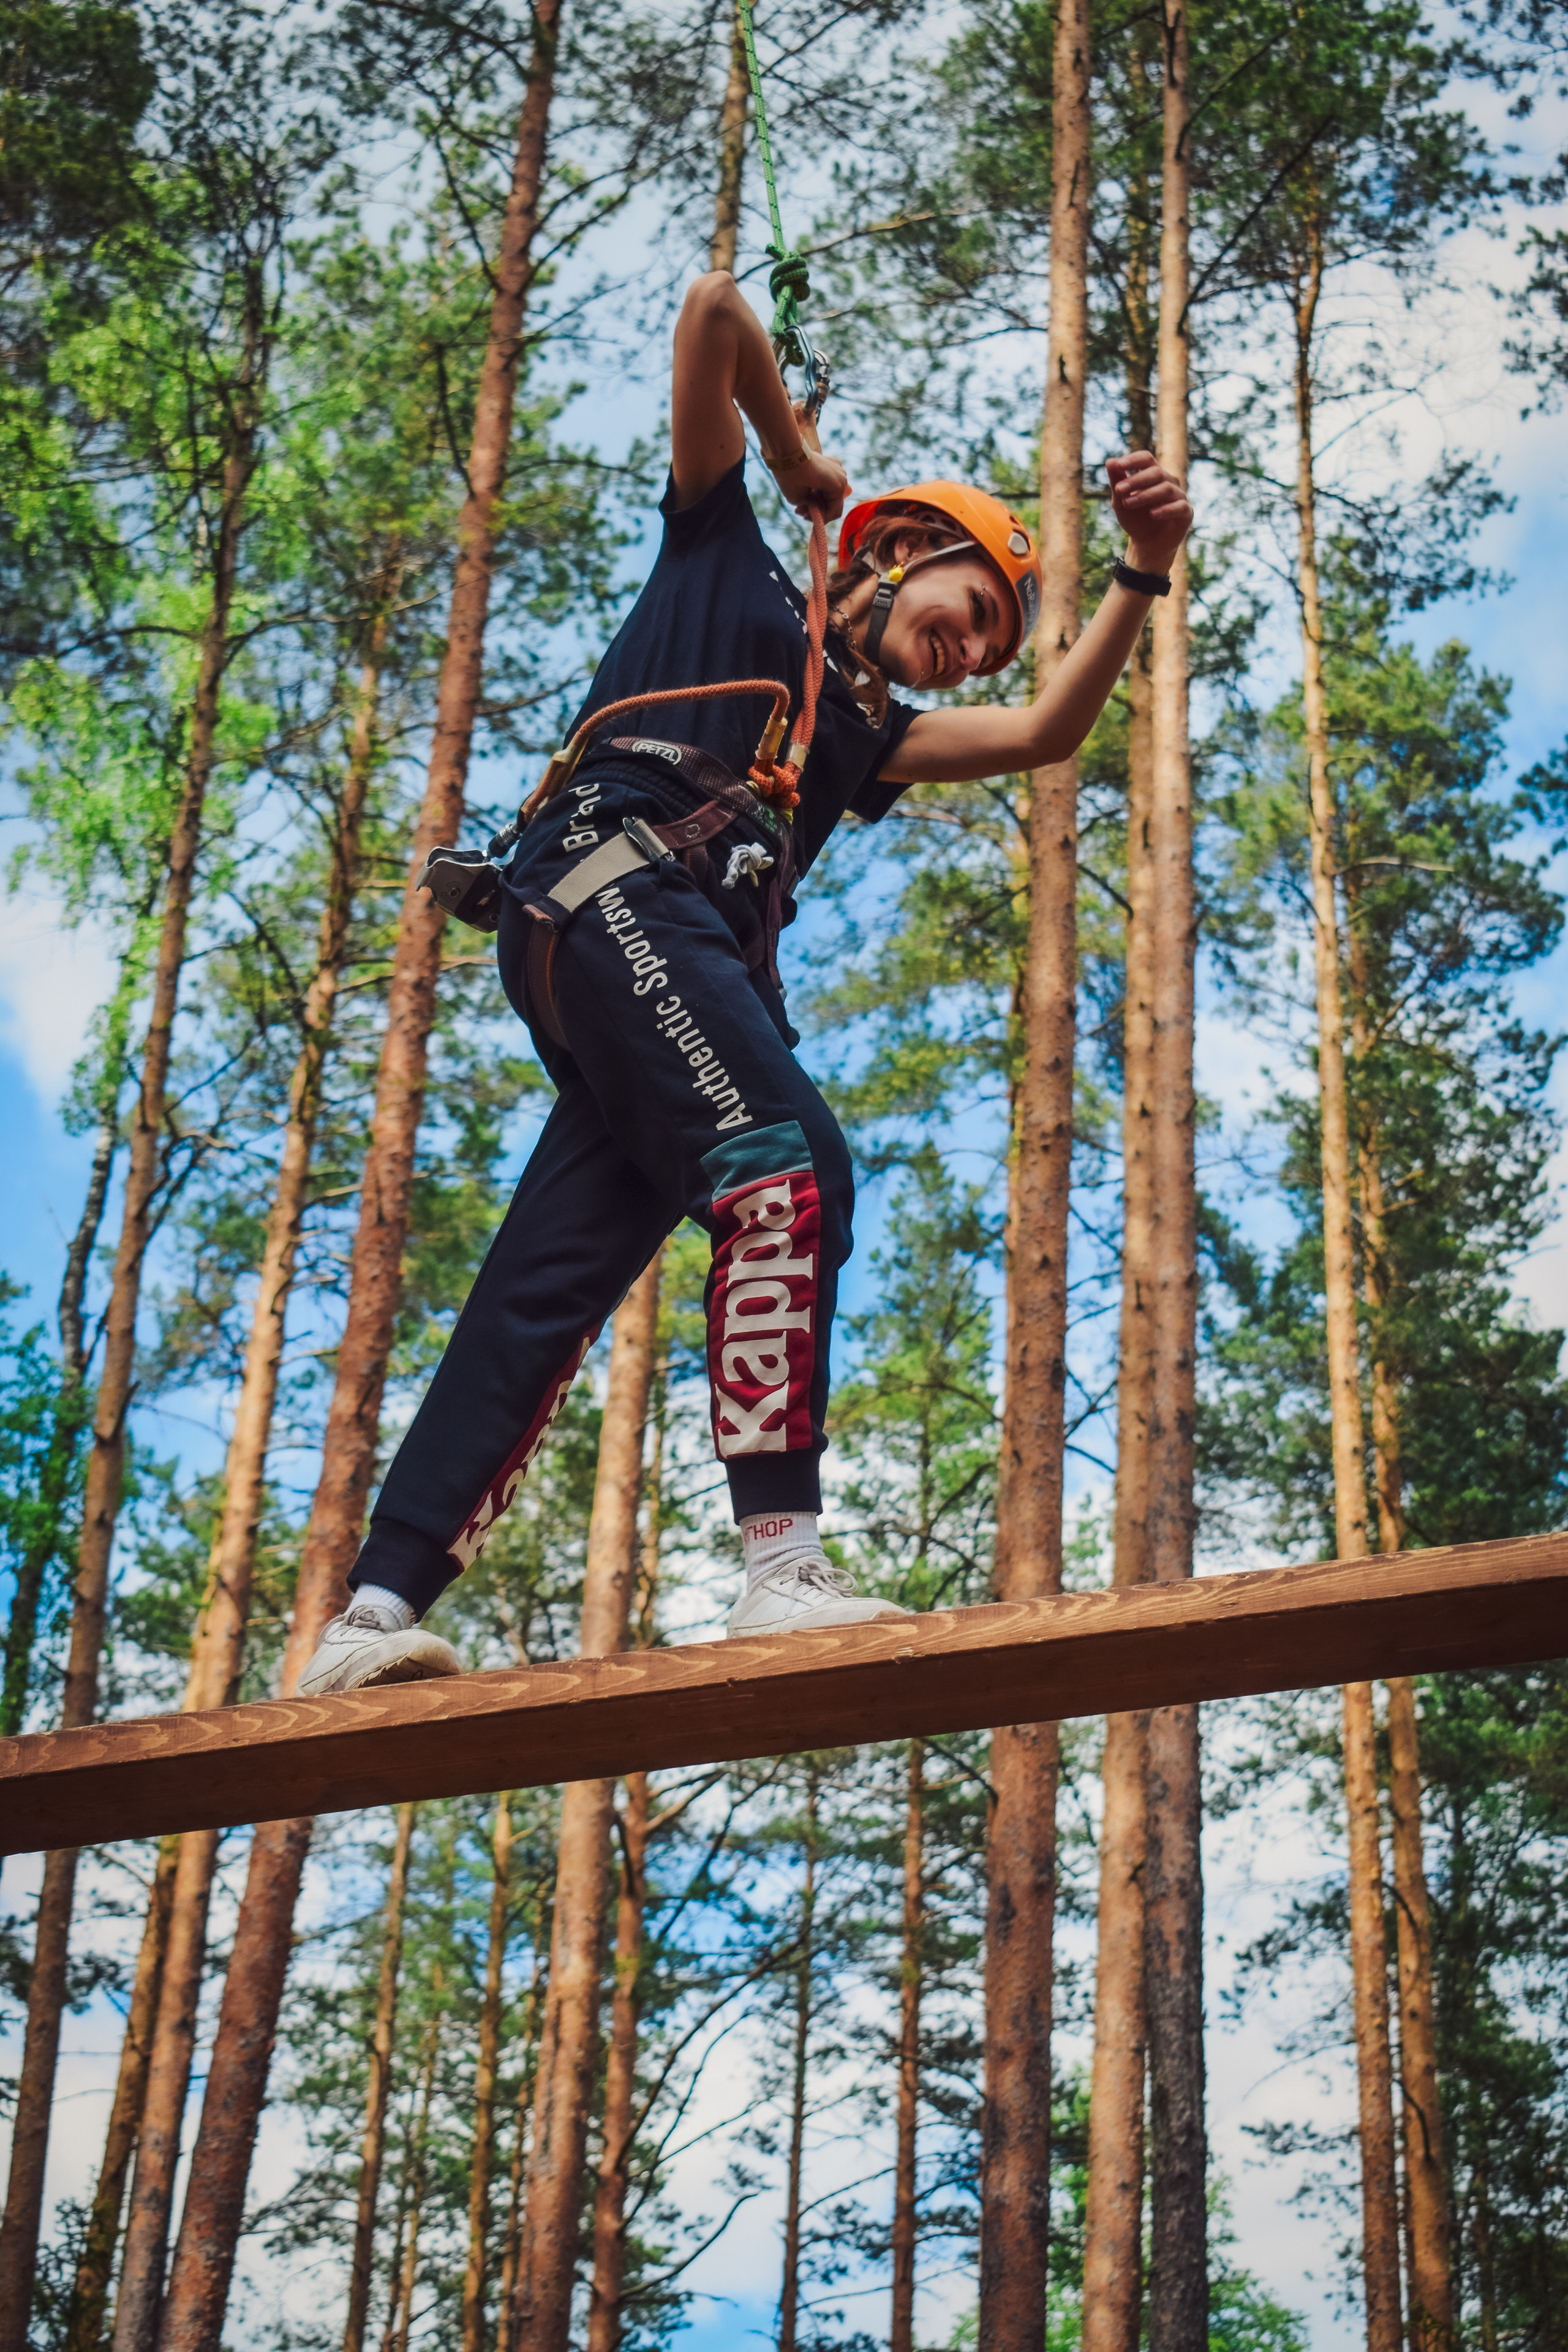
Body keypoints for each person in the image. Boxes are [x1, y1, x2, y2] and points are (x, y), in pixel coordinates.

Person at [300, 271, 1193, 1696]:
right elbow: (713, 312)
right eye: (969, 608)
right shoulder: (725, 558)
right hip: (618, 891)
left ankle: (368, 1617)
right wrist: (790, 456)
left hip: (641, 959)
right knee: (784, 1165)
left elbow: (1042, 733)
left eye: (985, 642)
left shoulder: (865, 735)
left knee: (547, 1287)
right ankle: (780, 1562)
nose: (970, 649)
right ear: (893, 549)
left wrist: (1143, 571)